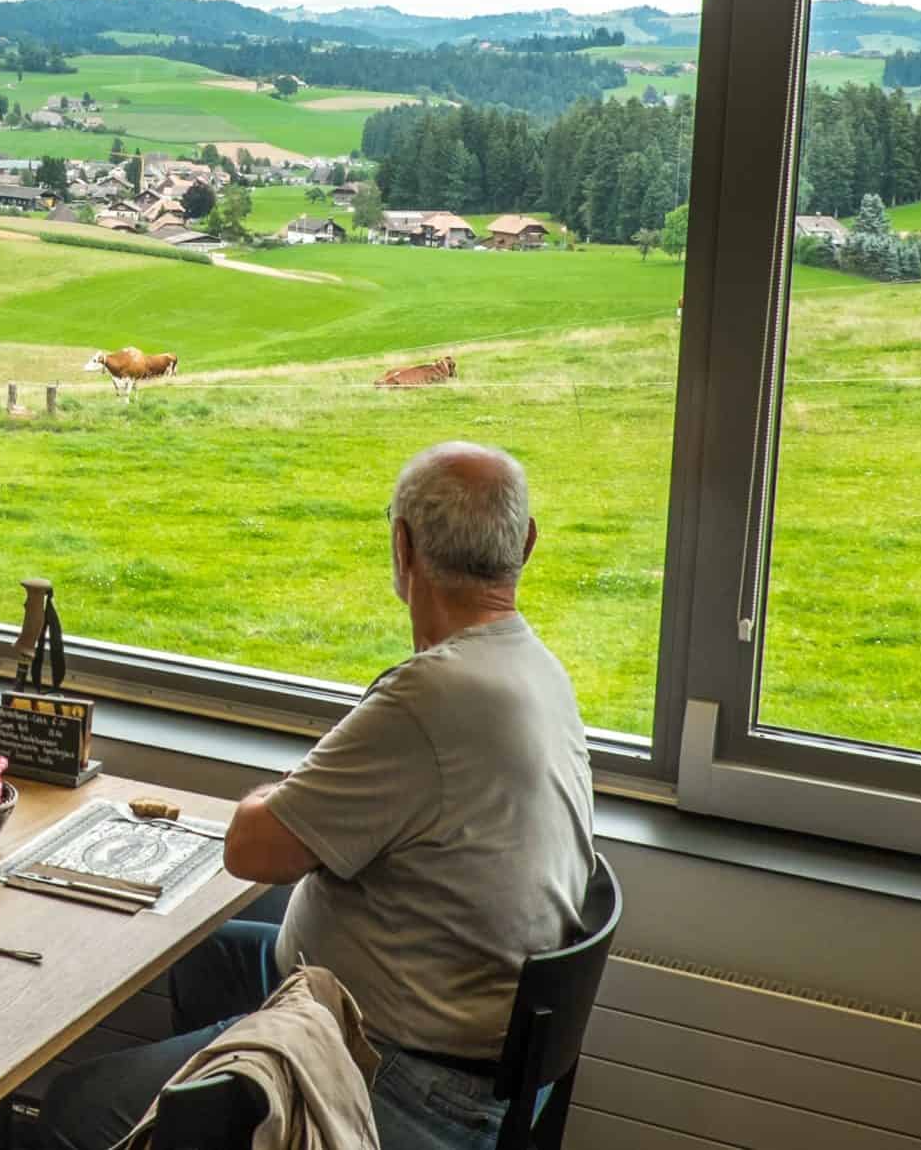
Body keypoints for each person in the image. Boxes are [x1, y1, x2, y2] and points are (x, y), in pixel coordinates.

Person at [41, 442, 595, 1150]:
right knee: (209, 959)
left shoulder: (434, 696)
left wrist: (297, 791)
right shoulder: (536, 668)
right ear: (527, 542)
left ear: (403, 548)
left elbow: (250, 846)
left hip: (398, 1075)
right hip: (458, 1042)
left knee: (73, 1109)